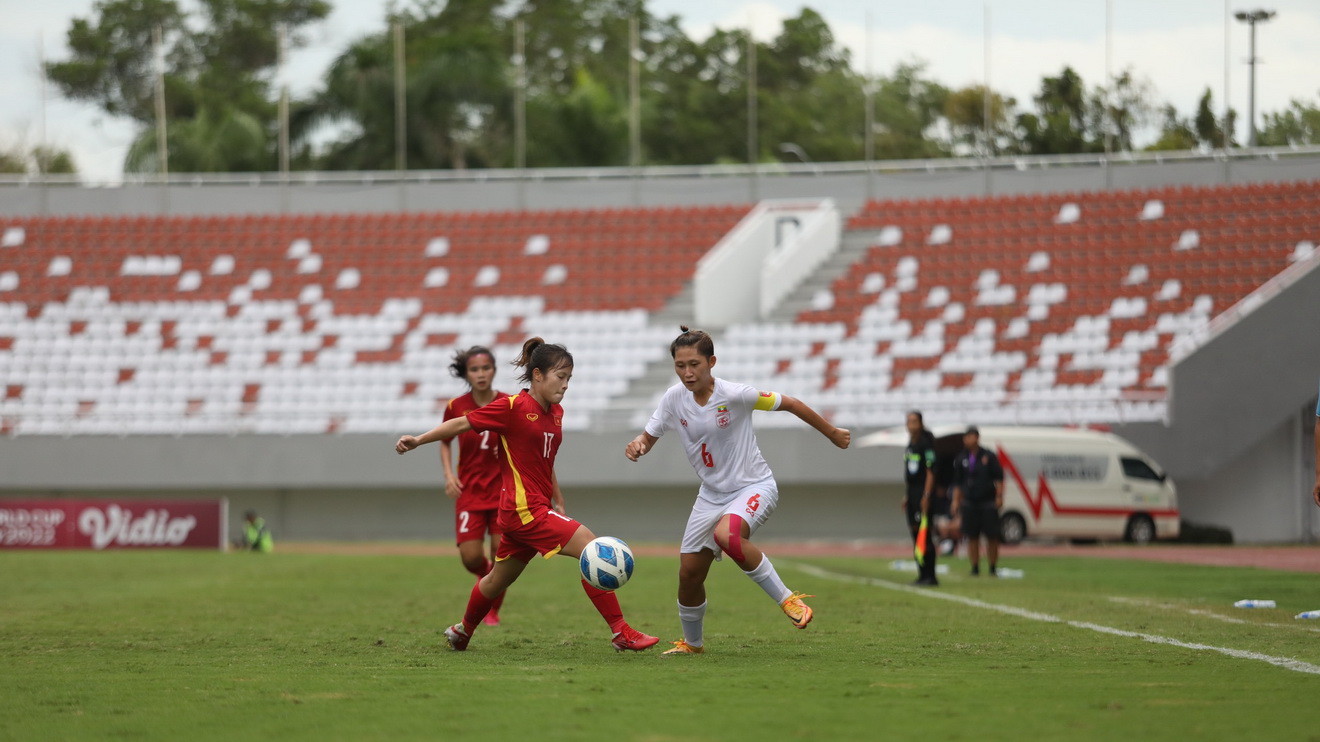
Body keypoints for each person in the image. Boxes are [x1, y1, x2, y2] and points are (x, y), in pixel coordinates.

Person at [396, 337, 659, 653]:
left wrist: (556, 494)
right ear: (538, 375)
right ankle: (621, 632)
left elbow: (543, 462)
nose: (565, 385)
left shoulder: (556, 412)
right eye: (560, 377)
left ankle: (462, 631)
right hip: (524, 509)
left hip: (527, 510)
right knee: (593, 548)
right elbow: (463, 423)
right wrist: (419, 440)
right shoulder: (511, 407)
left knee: (496, 580)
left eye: (569, 379)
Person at [624, 326, 851, 655]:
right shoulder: (674, 399)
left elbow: (790, 403)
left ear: (712, 362)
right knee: (689, 575)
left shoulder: (735, 394)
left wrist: (831, 432)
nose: (687, 373)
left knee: (727, 536)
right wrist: (639, 444)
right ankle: (693, 645)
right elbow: (649, 434)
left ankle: (788, 600)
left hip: (753, 486)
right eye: (680, 365)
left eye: (694, 365)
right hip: (710, 495)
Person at [438, 346, 509, 626]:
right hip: (469, 492)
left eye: (486, 368)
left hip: (502, 491)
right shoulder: (456, 406)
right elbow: (444, 440)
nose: (481, 374)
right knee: (470, 558)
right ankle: (486, 578)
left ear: (494, 370)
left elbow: (520, 438)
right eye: (475, 369)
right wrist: (448, 475)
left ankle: (491, 611)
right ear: (467, 373)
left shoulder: (508, 403)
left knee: (501, 557)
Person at [950, 426, 1004, 576]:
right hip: (969, 502)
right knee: (972, 536)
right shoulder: (961, 458)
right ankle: (975, 567)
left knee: (991, 536)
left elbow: (999, 478)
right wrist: (955, 501)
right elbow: (958, 483)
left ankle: (992, 567)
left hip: (987, 502)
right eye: (965, 437)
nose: (967, 440)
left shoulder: (988, 456)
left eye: (970, 436)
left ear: (977, 438)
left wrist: (999, 497)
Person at [902, 411, 939, 586]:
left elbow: (930, 472)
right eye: (909, 421)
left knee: (925, 534)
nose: (911, 425)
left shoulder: (926, 444)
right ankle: (921, 574)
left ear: (921, 424)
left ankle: (930, 576)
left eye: (914, 421)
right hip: (913, 494)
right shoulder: (910, 444)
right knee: (916, 535)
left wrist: (926, 496)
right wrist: (907, 496)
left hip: (922, 494)